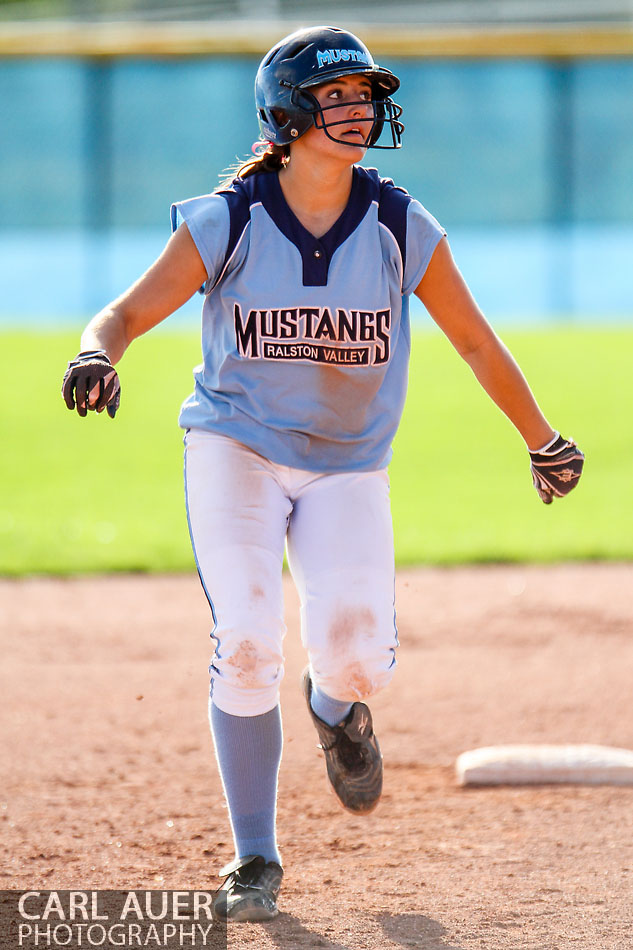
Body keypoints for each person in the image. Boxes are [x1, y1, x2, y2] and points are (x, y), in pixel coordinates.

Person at [61, 25, 584, 923]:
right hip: (237, 447)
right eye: (336, 97)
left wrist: (540, 438)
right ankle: (254, 855)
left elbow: (472, 339)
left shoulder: (394, 221)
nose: (358, 110)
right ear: (287, 113)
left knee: (354, 657)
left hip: (348, 466)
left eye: (364, 96)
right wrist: (94, 353)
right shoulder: (229, 217)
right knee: (251, 639)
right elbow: (123, 312)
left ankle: (336, 711)